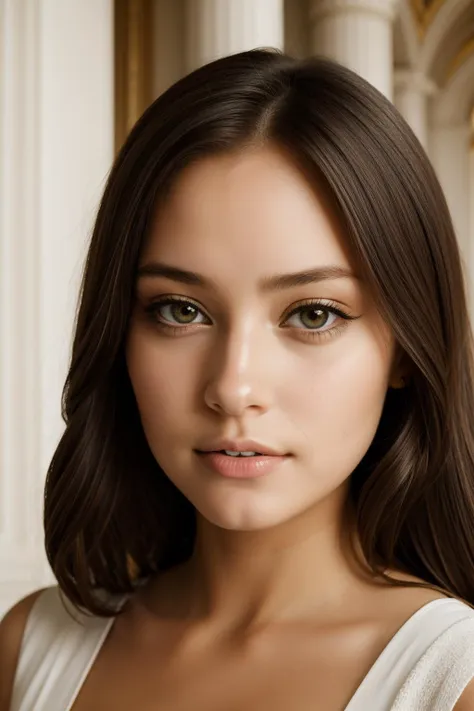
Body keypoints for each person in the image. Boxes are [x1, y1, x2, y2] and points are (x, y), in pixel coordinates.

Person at [2, 48, 474, 711]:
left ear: (405, 347)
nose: (233, 385)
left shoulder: (451, 680)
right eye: (180, 310)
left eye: (313, 314)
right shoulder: (31, 650)